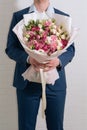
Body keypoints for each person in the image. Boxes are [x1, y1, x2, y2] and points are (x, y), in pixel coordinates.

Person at [5, 0, 75, 130]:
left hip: (55, 83)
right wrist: (28, 58)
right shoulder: (19, 16)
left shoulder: (63, 17)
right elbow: (10, 48)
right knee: (25, 127)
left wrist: (58, 61)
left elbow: (70, 50)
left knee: (56, 127)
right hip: (26, 83)